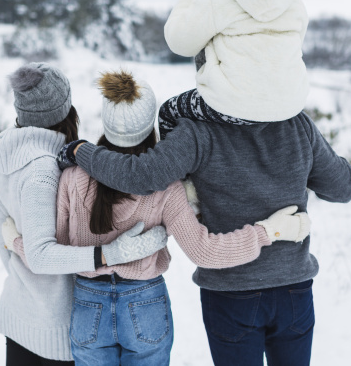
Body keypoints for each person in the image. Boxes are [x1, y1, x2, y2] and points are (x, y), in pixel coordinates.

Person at [54, 0, 351, 362]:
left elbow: (141, 175)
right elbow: (342, 187)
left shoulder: (197, 131)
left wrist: (81, 150)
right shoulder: (298, 126)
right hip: (293, 286)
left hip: (232, 292)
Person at [52, 71, 311, 365]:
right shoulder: (168, 187)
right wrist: (268, 231)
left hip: (88, 304)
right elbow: (205, 251)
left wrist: (18, 242)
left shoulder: (72, 177)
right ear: (150, 125)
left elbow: (58, 250)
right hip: (144, 302)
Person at [0, 63, 170, 365]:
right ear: (66, 112)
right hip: (53, 326)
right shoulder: (43, 170)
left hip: (19, 315)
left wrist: (25, 281)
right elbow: (41, 255)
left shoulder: (6, 157)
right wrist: (108, 254)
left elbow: (1, 239)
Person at [159, 0, 309, 138]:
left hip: (230, 104)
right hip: (290, 105)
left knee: (169, 111)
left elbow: (179, 42)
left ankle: (183, 172)